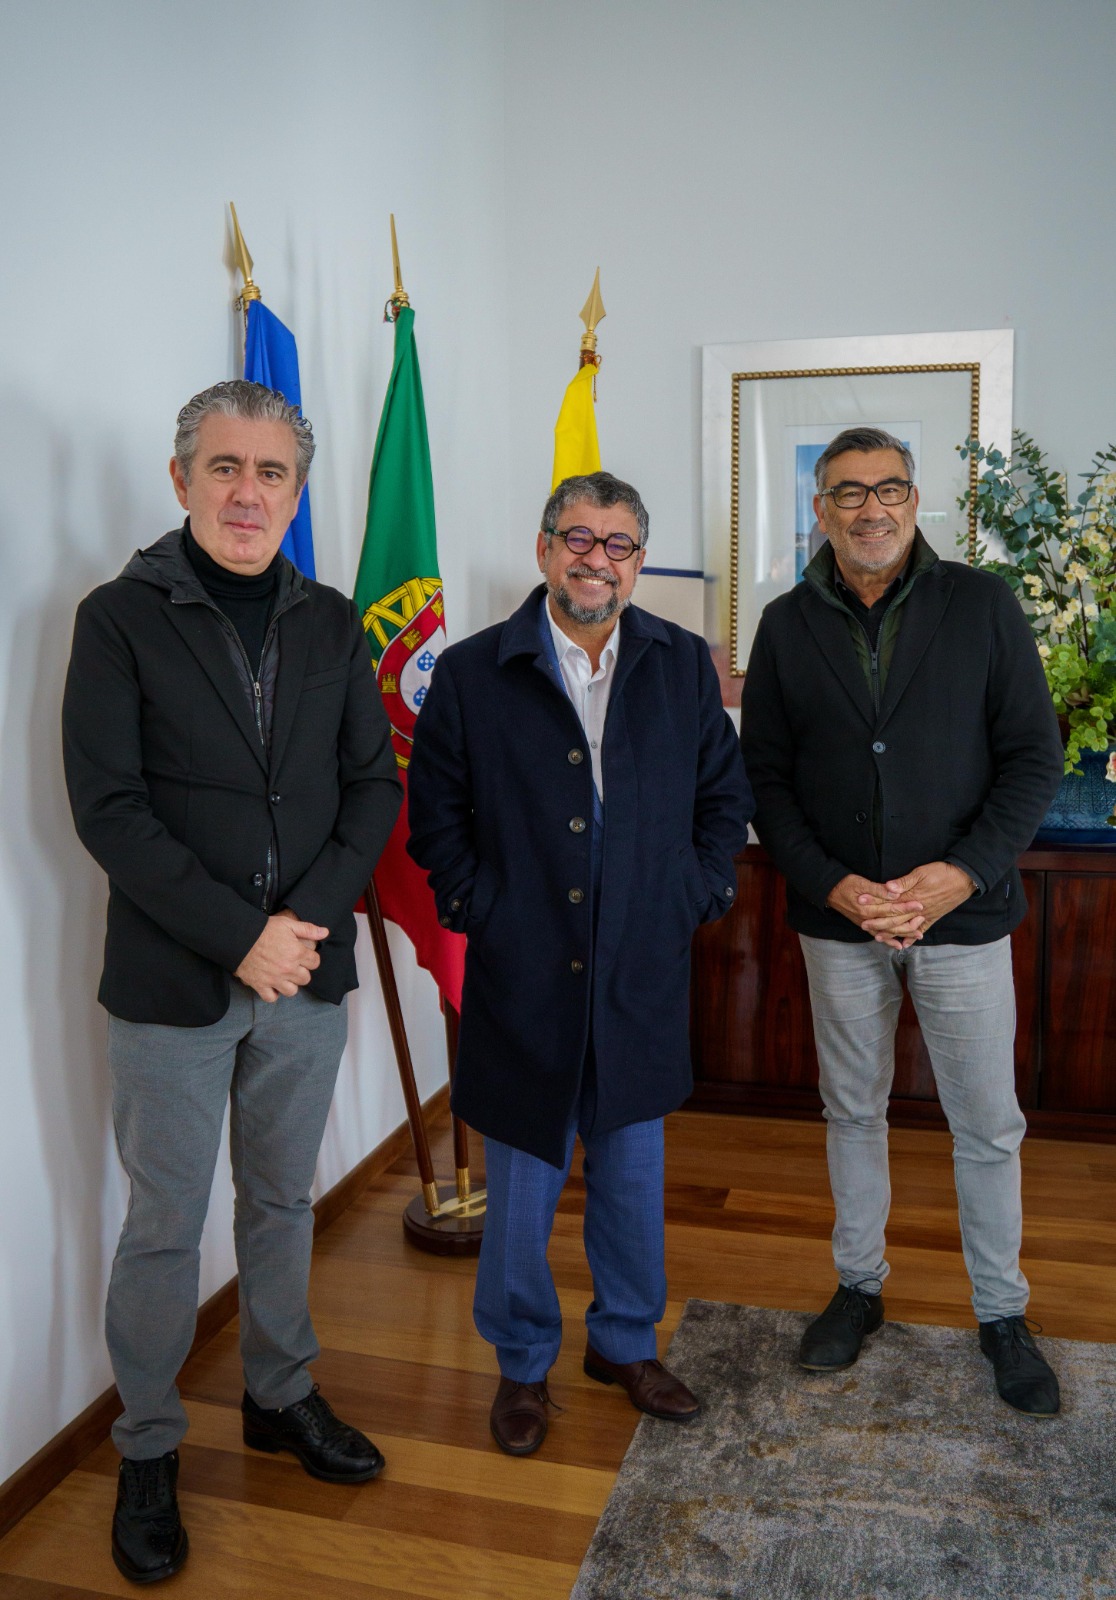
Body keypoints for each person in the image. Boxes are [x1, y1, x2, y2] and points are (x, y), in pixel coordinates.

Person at [62, 380, 403, 1583]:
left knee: (281, 1202)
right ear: (182, 479)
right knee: (164, 1225)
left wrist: (299, 927)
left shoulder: (332, 622)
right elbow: (110, 809)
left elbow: (373, 785)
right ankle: (150, 1444)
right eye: (225, 467)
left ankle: (278, 1393)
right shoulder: (118, 617)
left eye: (271, 473)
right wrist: (239, 937)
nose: (248, 492)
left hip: (303, 976)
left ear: (296, 495)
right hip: (174, 983)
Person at [407, 470, 753, 1455]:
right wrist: (482, 909)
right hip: (524, 968)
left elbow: (722, 799)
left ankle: (624, 1344)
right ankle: (522, 1363)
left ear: (638, 561)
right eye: (578, 538)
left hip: (641, 962)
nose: (596, 559)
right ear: (545, 548)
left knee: (632, 1172)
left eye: (618, 544)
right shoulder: (472, 672)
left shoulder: (683, 665)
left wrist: (695, 892)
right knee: (523, 1179)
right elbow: (435, 818)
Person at [740, 426, 1065, 1416]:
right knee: (852, 1109)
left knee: (987, 1124)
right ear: (822, 510)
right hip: (839, 920)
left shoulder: (983, 604)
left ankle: (1003, 1313)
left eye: (889, 488)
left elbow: (1034, 758)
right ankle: (859, 1287)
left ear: (916, 502)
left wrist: (961, 875)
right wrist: (836, 886)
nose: (870, 507)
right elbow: (767, 779)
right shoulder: (785, 623)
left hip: (963, 916)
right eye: (849, 491)